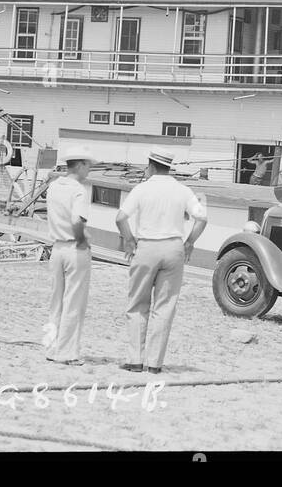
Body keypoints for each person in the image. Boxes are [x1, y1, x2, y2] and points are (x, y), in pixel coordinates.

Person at [114, 150, 209, 374]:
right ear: (168, 167)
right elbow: (202, 218)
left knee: (138, 304)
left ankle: (135, 360)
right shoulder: (182, 190)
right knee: (165, 307)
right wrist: (189, 242)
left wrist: (129, 240)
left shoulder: (142, 188)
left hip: (147, 246)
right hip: (174, 248)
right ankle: (155, 364)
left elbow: (120, 218)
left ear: (151, 166)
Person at [43, 146, 94, 366]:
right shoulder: (79, 190)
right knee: (74, 301)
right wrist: (82, 240)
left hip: (57, 247)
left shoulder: (54, 186)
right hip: (74, 248)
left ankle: (52, 346)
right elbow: (77, 220)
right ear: (80, 164)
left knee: (56, 300)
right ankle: (67, 353)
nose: (89, 170)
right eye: (88, 165)